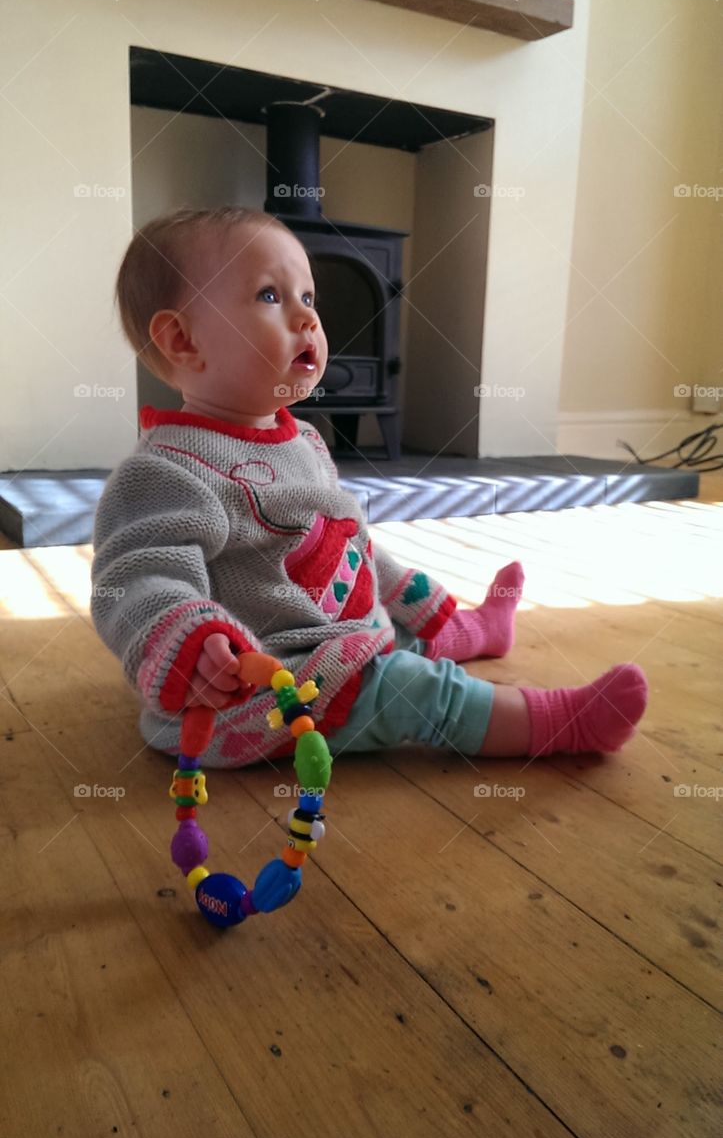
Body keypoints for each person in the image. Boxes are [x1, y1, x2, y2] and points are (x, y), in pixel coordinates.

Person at [91, 206, 647, 769]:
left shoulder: (301, 440)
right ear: (183, 339)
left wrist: (424, 602)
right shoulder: (166, 470)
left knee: (397, 634)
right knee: (409, 686)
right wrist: (190, 645)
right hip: (262, 693)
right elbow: (138, 576)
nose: (307, 320)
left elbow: (346, 548)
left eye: (308, 298)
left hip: (330, 633)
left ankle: (476, 631)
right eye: (268, 296)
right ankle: (557, 722)